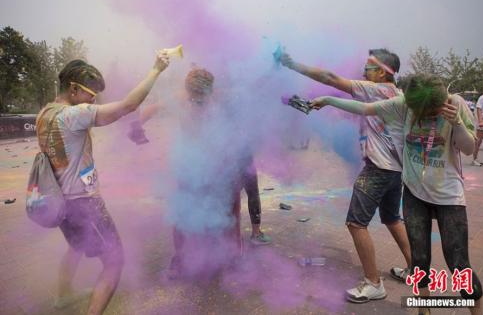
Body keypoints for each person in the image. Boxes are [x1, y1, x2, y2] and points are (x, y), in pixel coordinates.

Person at [309, 74, 483, 315]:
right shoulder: (404, 103)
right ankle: (425, 310)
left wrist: (457, 124)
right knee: (420, 261)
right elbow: (365, 107)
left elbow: (469, 148)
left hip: (449, 197)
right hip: (414, 195)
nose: (429, 115)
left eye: (434, 111)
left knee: (459, 265)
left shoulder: (455, 104)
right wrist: (328, 99)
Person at [35, 52, 170, 315]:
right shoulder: (74, 114)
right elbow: (128, 106)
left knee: (76, 246)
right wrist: (156, 70)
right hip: (84, 204)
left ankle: (63, 295)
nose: (93, 99)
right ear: (73, 89)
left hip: (60, 202)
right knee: (114, 262)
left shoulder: (44, 114)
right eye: (90, 92)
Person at [279, 49, 411, 303]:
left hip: (378, 169)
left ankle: (373, 283)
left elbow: (329, 77)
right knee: (393, 218)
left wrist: (291, 63)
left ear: (383, 72)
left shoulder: (377, 89)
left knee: (356, 223)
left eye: (368, 68)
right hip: (394, 170)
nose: (363, 72)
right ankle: (416, 270)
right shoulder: (397, 94)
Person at [167, 68, 271, 279]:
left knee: (225, 214)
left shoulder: (221, 101)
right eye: (194, 95)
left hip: (219, 170)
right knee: (187, 214)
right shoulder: (184, 106)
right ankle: (183, 261)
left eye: (201, 95)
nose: (198, 100)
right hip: (194, 170)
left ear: (210, 91)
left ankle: (228, 258)